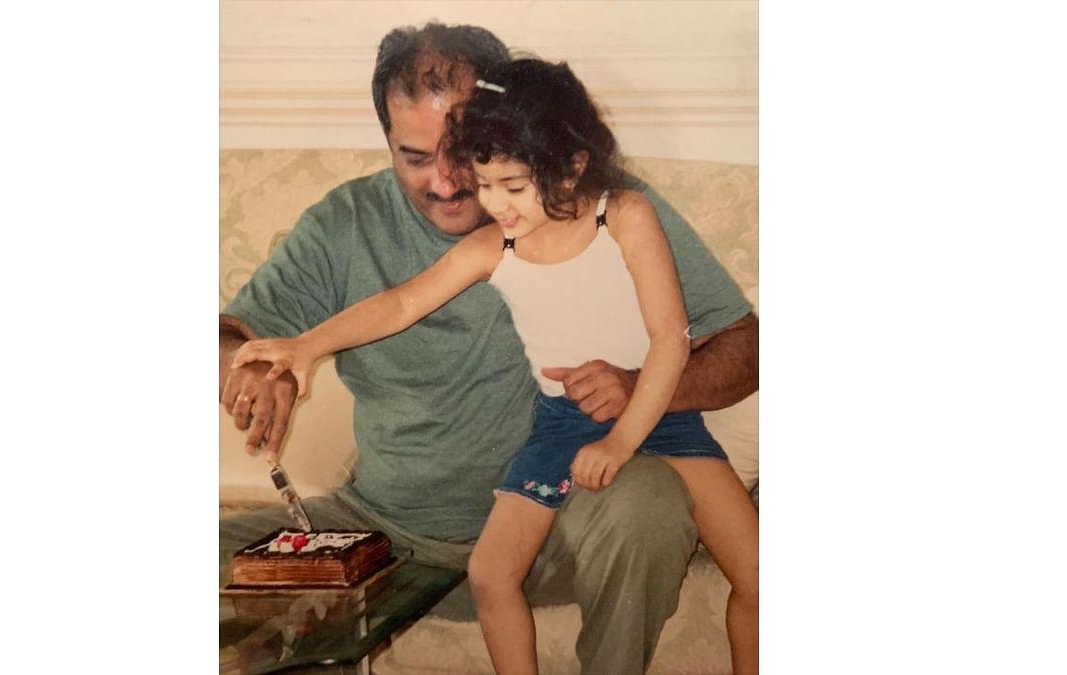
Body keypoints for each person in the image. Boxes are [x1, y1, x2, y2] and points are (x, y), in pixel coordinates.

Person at [219, 22, 759, 674]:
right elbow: (351, 312)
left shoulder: (614, 211)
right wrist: (285, 359)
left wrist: (638, 388)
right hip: (385, 523)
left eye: (464, 155)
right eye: (416, 158)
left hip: (576, 514)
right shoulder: (372, 227)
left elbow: (731, 344)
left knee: (673, 518)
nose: (452, 184)